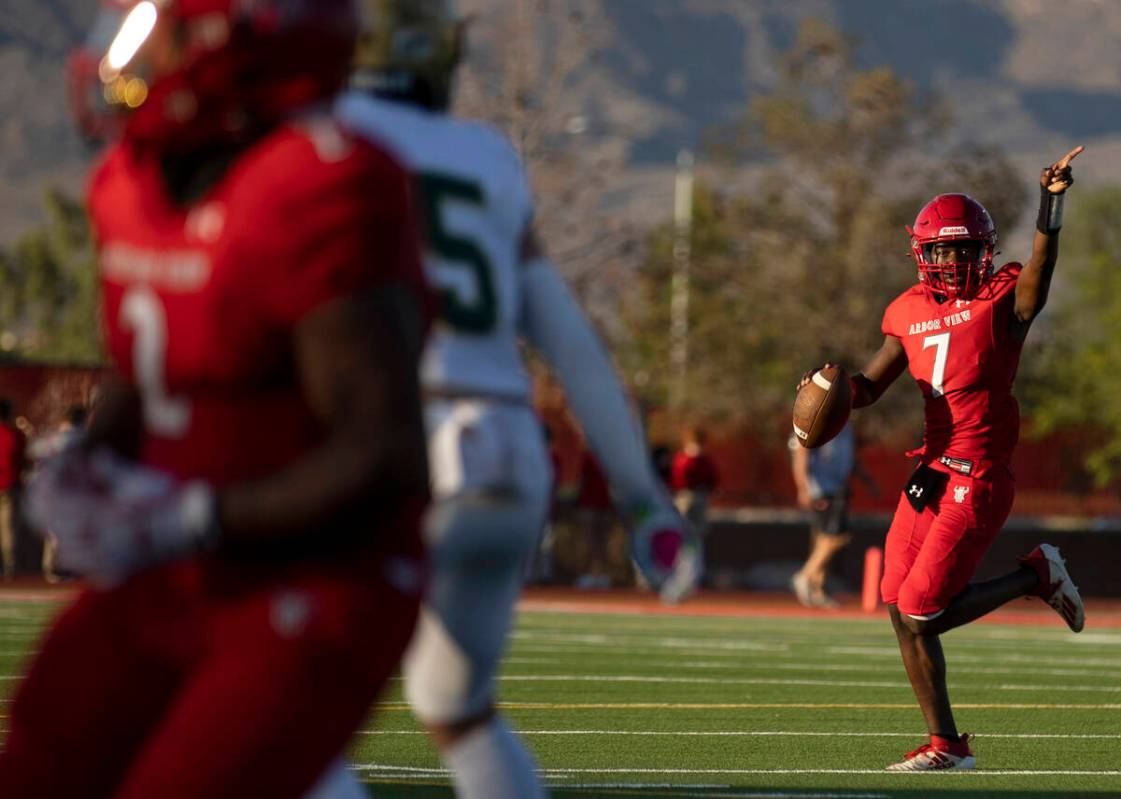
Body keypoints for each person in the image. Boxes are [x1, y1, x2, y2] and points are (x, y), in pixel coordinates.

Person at [0, 2, 431, 797]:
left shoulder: (318, 182)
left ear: (220, 45)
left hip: (311, 575)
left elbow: (382, 452)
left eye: (152, 31)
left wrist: (197, 515)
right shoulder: (128, 182)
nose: (124, 57)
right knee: (39, 759)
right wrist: (87, 461)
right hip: (178, 567)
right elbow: (157, 366)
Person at [323, 2, 696, 797]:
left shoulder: (318, 139)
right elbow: (572, 346)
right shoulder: (485, 157)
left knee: (295, 713)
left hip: (399, 445)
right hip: (506, 455)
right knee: (454, 704)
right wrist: (642, 499)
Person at [799, 147, 1087, 771]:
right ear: (923, 253)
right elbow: (870, 388)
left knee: (923, 609)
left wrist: (1050, 205)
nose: (954, 260)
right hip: (930, 473)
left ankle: (1036, 575)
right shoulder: (906, 312)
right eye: (943, 250)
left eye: (964, 249)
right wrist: (831, 385)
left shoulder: (1002, 301)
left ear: (982, 250)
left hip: (978, 476)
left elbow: (1042, 265)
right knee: (900, 611)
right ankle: (947, 746)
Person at [789, 421, 876, 608]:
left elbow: (850, 458)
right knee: (835, 537)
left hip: (837, 487)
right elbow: (801, 454)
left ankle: (817, 589)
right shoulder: (818, 418)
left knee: (825, 538)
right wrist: (803, 488)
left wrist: (867, 481)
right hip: (822, 488)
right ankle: (805, 575)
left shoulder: (846, 424)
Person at [0, 398, 26, 581]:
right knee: (8, 530)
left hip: (8, 484)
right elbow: (21, 459)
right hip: (8, 486)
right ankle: (10, 570)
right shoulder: (14, 434)